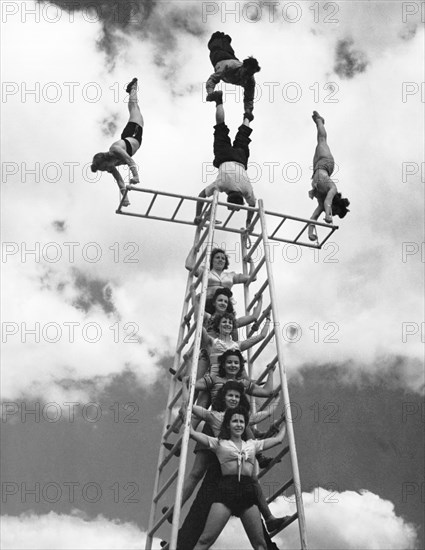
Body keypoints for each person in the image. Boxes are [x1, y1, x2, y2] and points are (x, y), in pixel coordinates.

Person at [189, 406, 287, 550]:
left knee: (260, 545)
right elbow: (191, 433)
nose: (239, 424)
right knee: (205, 540)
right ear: (228, 424)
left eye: (242, 422)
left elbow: (278, 440)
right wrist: (186, 415)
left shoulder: (252, 444)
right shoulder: (219, 443)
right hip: (225, 492)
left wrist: (286, 421)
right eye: (235, 421)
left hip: (247, 493)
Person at [194, 93, 257, 227]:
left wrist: (248, 221)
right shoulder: (221, 185)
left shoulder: (247, 190)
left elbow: (252, 205)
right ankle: (218, 101)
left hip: (241, 158)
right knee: (220, 127)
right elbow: (201, 196)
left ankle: (247, 116)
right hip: (224, 156)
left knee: (243, 135)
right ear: (227, 196)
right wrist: (197, 215)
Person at [90, 78, 143, 207]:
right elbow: (119, 180)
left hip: (133, 133)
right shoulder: (111, 166)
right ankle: (131, 90)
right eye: (104, 170)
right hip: (130, 137)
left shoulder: (115, 150)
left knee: (134, 107)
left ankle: (133, 88)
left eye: (104, 167)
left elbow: (130, 160)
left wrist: (136, 176)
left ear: (105, 160)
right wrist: (124, 196)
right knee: (134, 108)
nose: (107, 170)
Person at [308, 111, 350, 241]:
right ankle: (320, 121)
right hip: (326, 163)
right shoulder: (332, 190)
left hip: (316, 168)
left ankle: (319, 123)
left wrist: (310, 233)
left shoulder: (321, 201)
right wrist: (328, 216)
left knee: (319, 141)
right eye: (335, 211)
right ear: (337, 205)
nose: (333, 212)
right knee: (321, 140)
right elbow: (328, 203)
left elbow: (313, 217)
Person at [205, 31, 261, 120]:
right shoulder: (229, 66)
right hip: (220, 57)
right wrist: (210, 93)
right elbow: (213, 79)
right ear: (243, 67)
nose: (247, 76)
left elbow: (249, 97)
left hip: (230, 57)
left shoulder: (250, 80)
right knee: (215, 46)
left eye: (250, 74)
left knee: (227, 49)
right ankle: (220, 37)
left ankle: (224, 39)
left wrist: (248, 111)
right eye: (246, 73)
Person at [185, 247, 256, 313]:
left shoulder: (231, 275)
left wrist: (251, 262)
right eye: (217, 257)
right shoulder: (205, 271)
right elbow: (189, 265)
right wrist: (194, 249)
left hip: (224, 305)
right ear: (212, 260)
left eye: (223, 258)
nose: (220, 260)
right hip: (208, 303)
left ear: (225, 262)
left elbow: (252, 277)